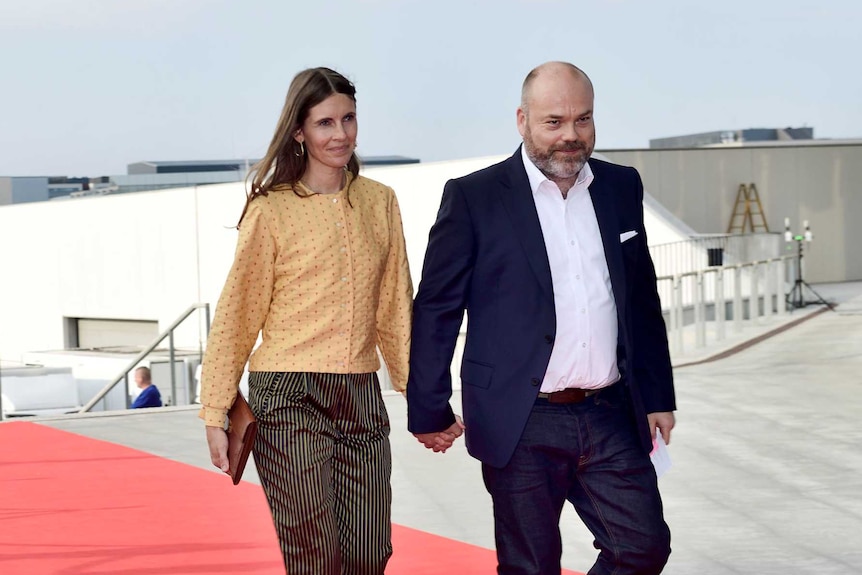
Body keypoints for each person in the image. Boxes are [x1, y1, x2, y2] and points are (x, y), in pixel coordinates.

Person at [406, 61, 676, 575]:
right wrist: (429, 407)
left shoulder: (620, 187)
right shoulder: (474, 197)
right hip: (520, 416)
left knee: (642, 545)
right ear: (522, 120)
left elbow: (640, 297)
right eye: (554, 122)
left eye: (583, 120)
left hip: (609, 411)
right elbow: (437, 308)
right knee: (531, 566)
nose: (571, 136)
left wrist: (657, 395)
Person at [199, 67, 412, 574]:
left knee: (367, 552)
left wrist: (418, 393)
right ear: (299, 131)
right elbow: (237, 312)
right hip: (288, 394)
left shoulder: (379, 202)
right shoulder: (270, 210)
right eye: (324, 123)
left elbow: (395, 304)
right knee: (316, 554)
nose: (340, 134)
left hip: (360, 394)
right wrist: (215, 410)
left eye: (348, 119)